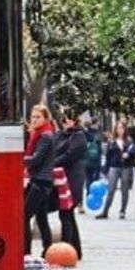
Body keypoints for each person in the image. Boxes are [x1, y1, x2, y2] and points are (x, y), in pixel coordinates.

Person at [23, 105, 56, 256]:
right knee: (41, 218)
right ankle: (48, 250)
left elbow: (37, 159)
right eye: (33, 117)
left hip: (40, 181)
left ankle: (26, 252)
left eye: (38, 117)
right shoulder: (39, 134)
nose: (34, 120)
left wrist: (19, 159)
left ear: (45, 118)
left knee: (24, 216)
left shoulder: (45, 135)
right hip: (41, 180)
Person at [54, 109, 86, 259]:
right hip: (61, 178)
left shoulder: (79, 136)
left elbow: (70, 155)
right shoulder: (60, 135)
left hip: (73, 178)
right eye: (63, 119)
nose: (65, 121)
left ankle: (68, 248)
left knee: (66, 212)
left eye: (68, 118)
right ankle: (74, 249)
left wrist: (52, 163)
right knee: (66, 214)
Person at [96, 120, 135, 219]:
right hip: (114, 166)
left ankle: (122, 211)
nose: (120, 130)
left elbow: (134, 154)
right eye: (118, 128)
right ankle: (105, 211)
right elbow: (108, 157)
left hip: (126, 167)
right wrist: (104, 170)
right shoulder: (112, 141)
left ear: (125, 129)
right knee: (111, 189)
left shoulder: (129, 141)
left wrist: (129, 154)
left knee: (124, 190)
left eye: (121, 128)